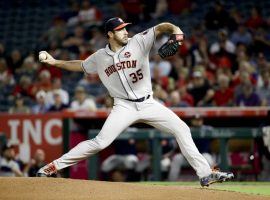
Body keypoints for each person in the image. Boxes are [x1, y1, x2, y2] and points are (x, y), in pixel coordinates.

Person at [37, 17, 233, 186]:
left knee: (182, 128)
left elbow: (162, 26)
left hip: (148, 103)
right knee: (99, 142)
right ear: (110, 35)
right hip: (123, 106)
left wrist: (177, 32)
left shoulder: (138, 41)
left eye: (125, 28)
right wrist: (55, 62)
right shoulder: (99, 57)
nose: (125, 32)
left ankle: (205, 174)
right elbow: (80, 65)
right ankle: (51, 167)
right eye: (119, 30)